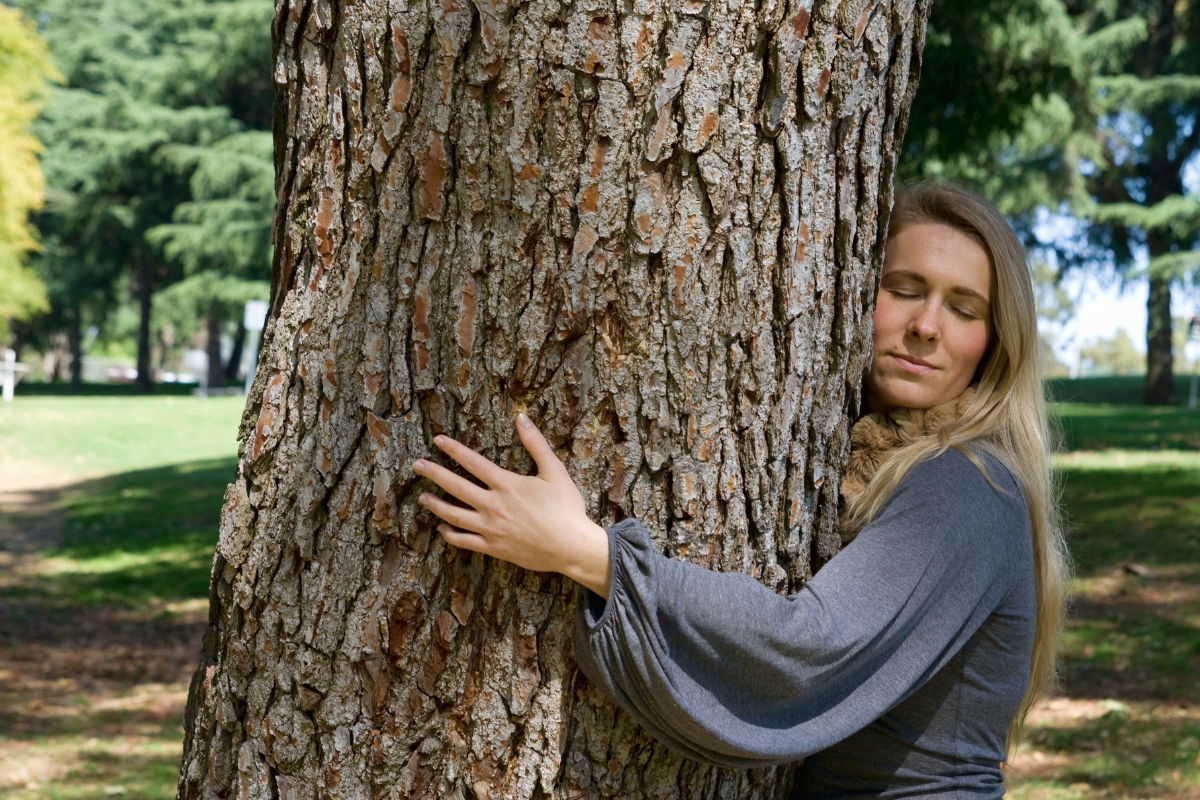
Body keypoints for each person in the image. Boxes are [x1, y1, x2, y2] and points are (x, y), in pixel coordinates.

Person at [409, 183, 1070, 798]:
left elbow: (807, 648)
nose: (927, 324)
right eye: (904, 288)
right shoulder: (906, 466)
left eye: (962, 308)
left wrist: (588, 554)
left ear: (994, 343)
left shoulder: (968, 486)